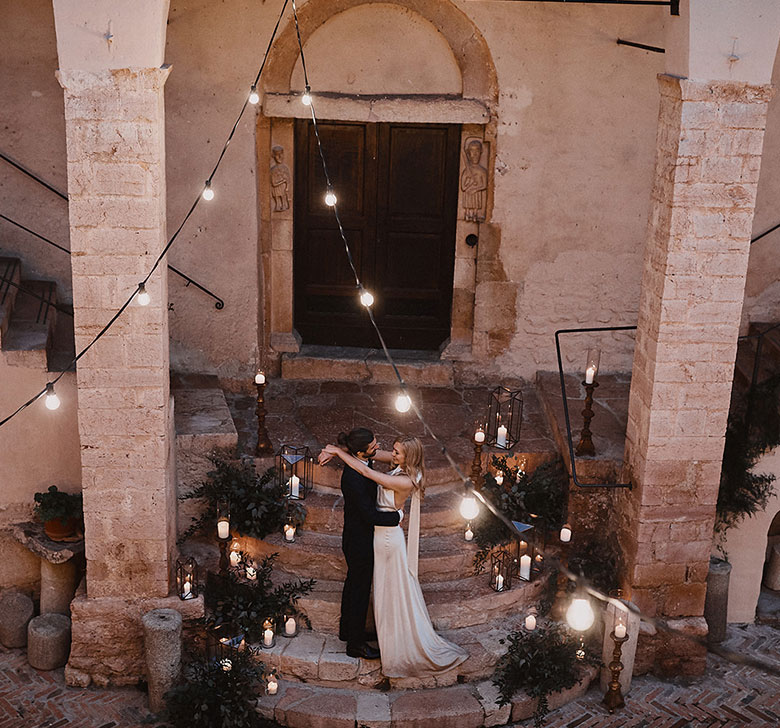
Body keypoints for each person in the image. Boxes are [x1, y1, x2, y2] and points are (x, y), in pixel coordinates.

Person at [322, 435, 468, 677]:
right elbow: (366, 454)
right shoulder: (406, 464)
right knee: (377, 585)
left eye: (396, 452)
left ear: (408, 457)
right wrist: (335, 448)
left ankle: (391, 637)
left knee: (388, 588)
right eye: (393, 450)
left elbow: (368, 473)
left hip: (387, 538)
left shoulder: (407, 480)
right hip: (377, 536)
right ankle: (359, 632)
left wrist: (337, 454)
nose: (390, 453)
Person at [326, 427, 401, 660]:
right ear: (360, 452)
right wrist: (396, 518)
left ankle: (348, 631)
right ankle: (355, 645)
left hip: (357, 536)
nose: (378, 448)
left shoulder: (360, 461)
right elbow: (369, 515)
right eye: (373, 447)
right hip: (360, 540)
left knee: (353, 584)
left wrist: (336, 451)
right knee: (359, 589)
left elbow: (382, 456)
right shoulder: (353, 478)